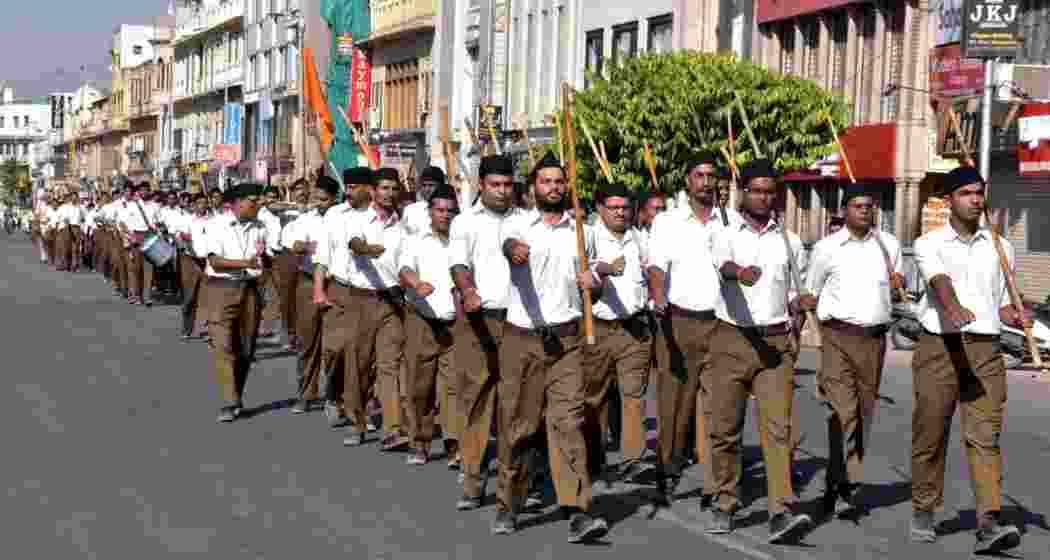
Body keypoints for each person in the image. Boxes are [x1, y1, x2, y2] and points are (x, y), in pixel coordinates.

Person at [492, 152, 607, 542]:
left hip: (568, 342)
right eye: (546, 181)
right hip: (523, 339)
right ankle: (508, 503)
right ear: (533, 187)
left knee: (568, 423)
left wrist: (594, 284)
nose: (554, 188)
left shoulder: (583, 231)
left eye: (559, 182)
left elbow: (595, 282)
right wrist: (514, 251)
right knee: (519, 427)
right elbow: (508, 246)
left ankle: (579, 509)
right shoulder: (518, 224)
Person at [909, 166, 1022, 553]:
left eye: (979, 192)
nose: (975, 199)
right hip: (940, 347)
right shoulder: (929, 243)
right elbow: (939, 280)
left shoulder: (1001, 247)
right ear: (949, 200)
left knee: (985, 437)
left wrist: (1014, 315)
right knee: (930, 434)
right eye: (966, 193)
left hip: (986, 350)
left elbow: (1002, 304)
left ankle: (988, 521)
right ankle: (924, 508)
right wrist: (953, 306)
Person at [706, 159, 812, 542]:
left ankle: (781, 509)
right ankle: (724, 501)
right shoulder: (724, 233)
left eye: (770, 192)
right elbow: (724, 266)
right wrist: (740, 273)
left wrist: (800, 309)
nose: (764, 198)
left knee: (778, 428)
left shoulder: (790, 241)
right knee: (725, 428)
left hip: (775, 343)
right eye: (757, 191)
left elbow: (794, 290)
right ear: (744, 193)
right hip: (732, 339)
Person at [805, 185, 905, 518]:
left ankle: (842, 481)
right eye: (858, 206)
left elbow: (896, 286)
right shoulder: (827, 248)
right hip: (837, 336)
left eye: (869, 206)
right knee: (842, 411)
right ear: (844, 210)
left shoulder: (888, 245)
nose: (865, 211)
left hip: (874, 340)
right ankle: (843, 479)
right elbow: (811, 292)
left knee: (863, 414)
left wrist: (898, 284)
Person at [646, 155, 735, 507]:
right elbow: (656, 266)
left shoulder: (729, 222)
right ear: (688, 179)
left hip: (720, 325)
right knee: (674, 405)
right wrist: (658, 296)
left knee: (718, 406)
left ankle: (715, 484)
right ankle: (667, 470)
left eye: (712, 176)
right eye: (699, 175)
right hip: (677, 322)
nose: (706, 182)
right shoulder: (667, 222)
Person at [448, 155, 521, 511]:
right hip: (479, 321)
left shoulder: (526, 221)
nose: (502, 191)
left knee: (515, 406)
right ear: (481, 185)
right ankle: (473, 481)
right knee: (477, 401)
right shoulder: (465, 222)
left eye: (507, 185)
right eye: (495, 185)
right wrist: (468, 290)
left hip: (520, 325)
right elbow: (459, 264)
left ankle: (516, 482)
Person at [582, 183, 653, 484]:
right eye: (613, 207)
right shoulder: (587, 237)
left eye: (625, 207)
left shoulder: (640, 238)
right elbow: (583, 274)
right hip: (598, 328)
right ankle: (592, 457)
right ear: (600, 208)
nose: (620, 212)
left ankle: (633, 459)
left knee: (634, 395)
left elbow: (651, 274)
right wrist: (602, 271)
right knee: (594, 398)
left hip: (634, 329)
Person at [343, 167, 410, 450]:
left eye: (394, 189)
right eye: (384, 188)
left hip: (393, 301)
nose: (389, 194)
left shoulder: (402, 226)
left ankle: (392, 429)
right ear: (373, 191)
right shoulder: (357, 219)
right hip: (361, 299)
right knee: (359, 364)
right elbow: (355, 243)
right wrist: (368, 250)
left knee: (389, 365)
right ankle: (356, 422)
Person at [398, 183, 462, 466]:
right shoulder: (415, 240)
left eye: (450, 211)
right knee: (419, 386)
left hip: (455, 324)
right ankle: (419, 442)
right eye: (440, 210)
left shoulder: (463, 241)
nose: (445, 215)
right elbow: (404, 269)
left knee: (453, 387)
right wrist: (417, 284)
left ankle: (454, 445)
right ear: (430, 212)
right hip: (421, 319)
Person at [203, 183, 272, 423]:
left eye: (259, 200)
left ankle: (236, 396)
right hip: (221, 289)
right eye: (253, 200)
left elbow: (264, 258)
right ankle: (228, 401)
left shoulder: (261, 226)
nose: (257, 204)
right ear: (237, 203)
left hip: (250, 290)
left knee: (246, 348)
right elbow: (215, 261)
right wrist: (244, 264)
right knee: (223, 346)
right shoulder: (216, 225)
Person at [314, 166, 376, 430]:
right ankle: (332, 391)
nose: (347, 192)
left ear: (368, 189)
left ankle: (359, 407)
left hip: (370, 293)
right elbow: (322, 256)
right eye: (346, 187)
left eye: (352, 188)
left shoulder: (379, 216)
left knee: (364, 354)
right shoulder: (335, 215)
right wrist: (318, 290)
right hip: (338, 289)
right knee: (334, 348)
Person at [285, 174, 339, 414]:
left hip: (337, 285)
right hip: (308, 283)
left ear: (335, 198)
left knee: (335, 345)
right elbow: (294, 243)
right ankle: (306, 394)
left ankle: (335, 395)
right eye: (316, 198)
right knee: (308, 342)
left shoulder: (343, 218)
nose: (318, 203)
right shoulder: (306, 219)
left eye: (323, 199)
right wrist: (304, 246)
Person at [401, 166, 445, 236]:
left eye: (431, 185)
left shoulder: (450, 211)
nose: (427, 189)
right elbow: (403, 237)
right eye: (424, 185)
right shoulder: (410, 210)